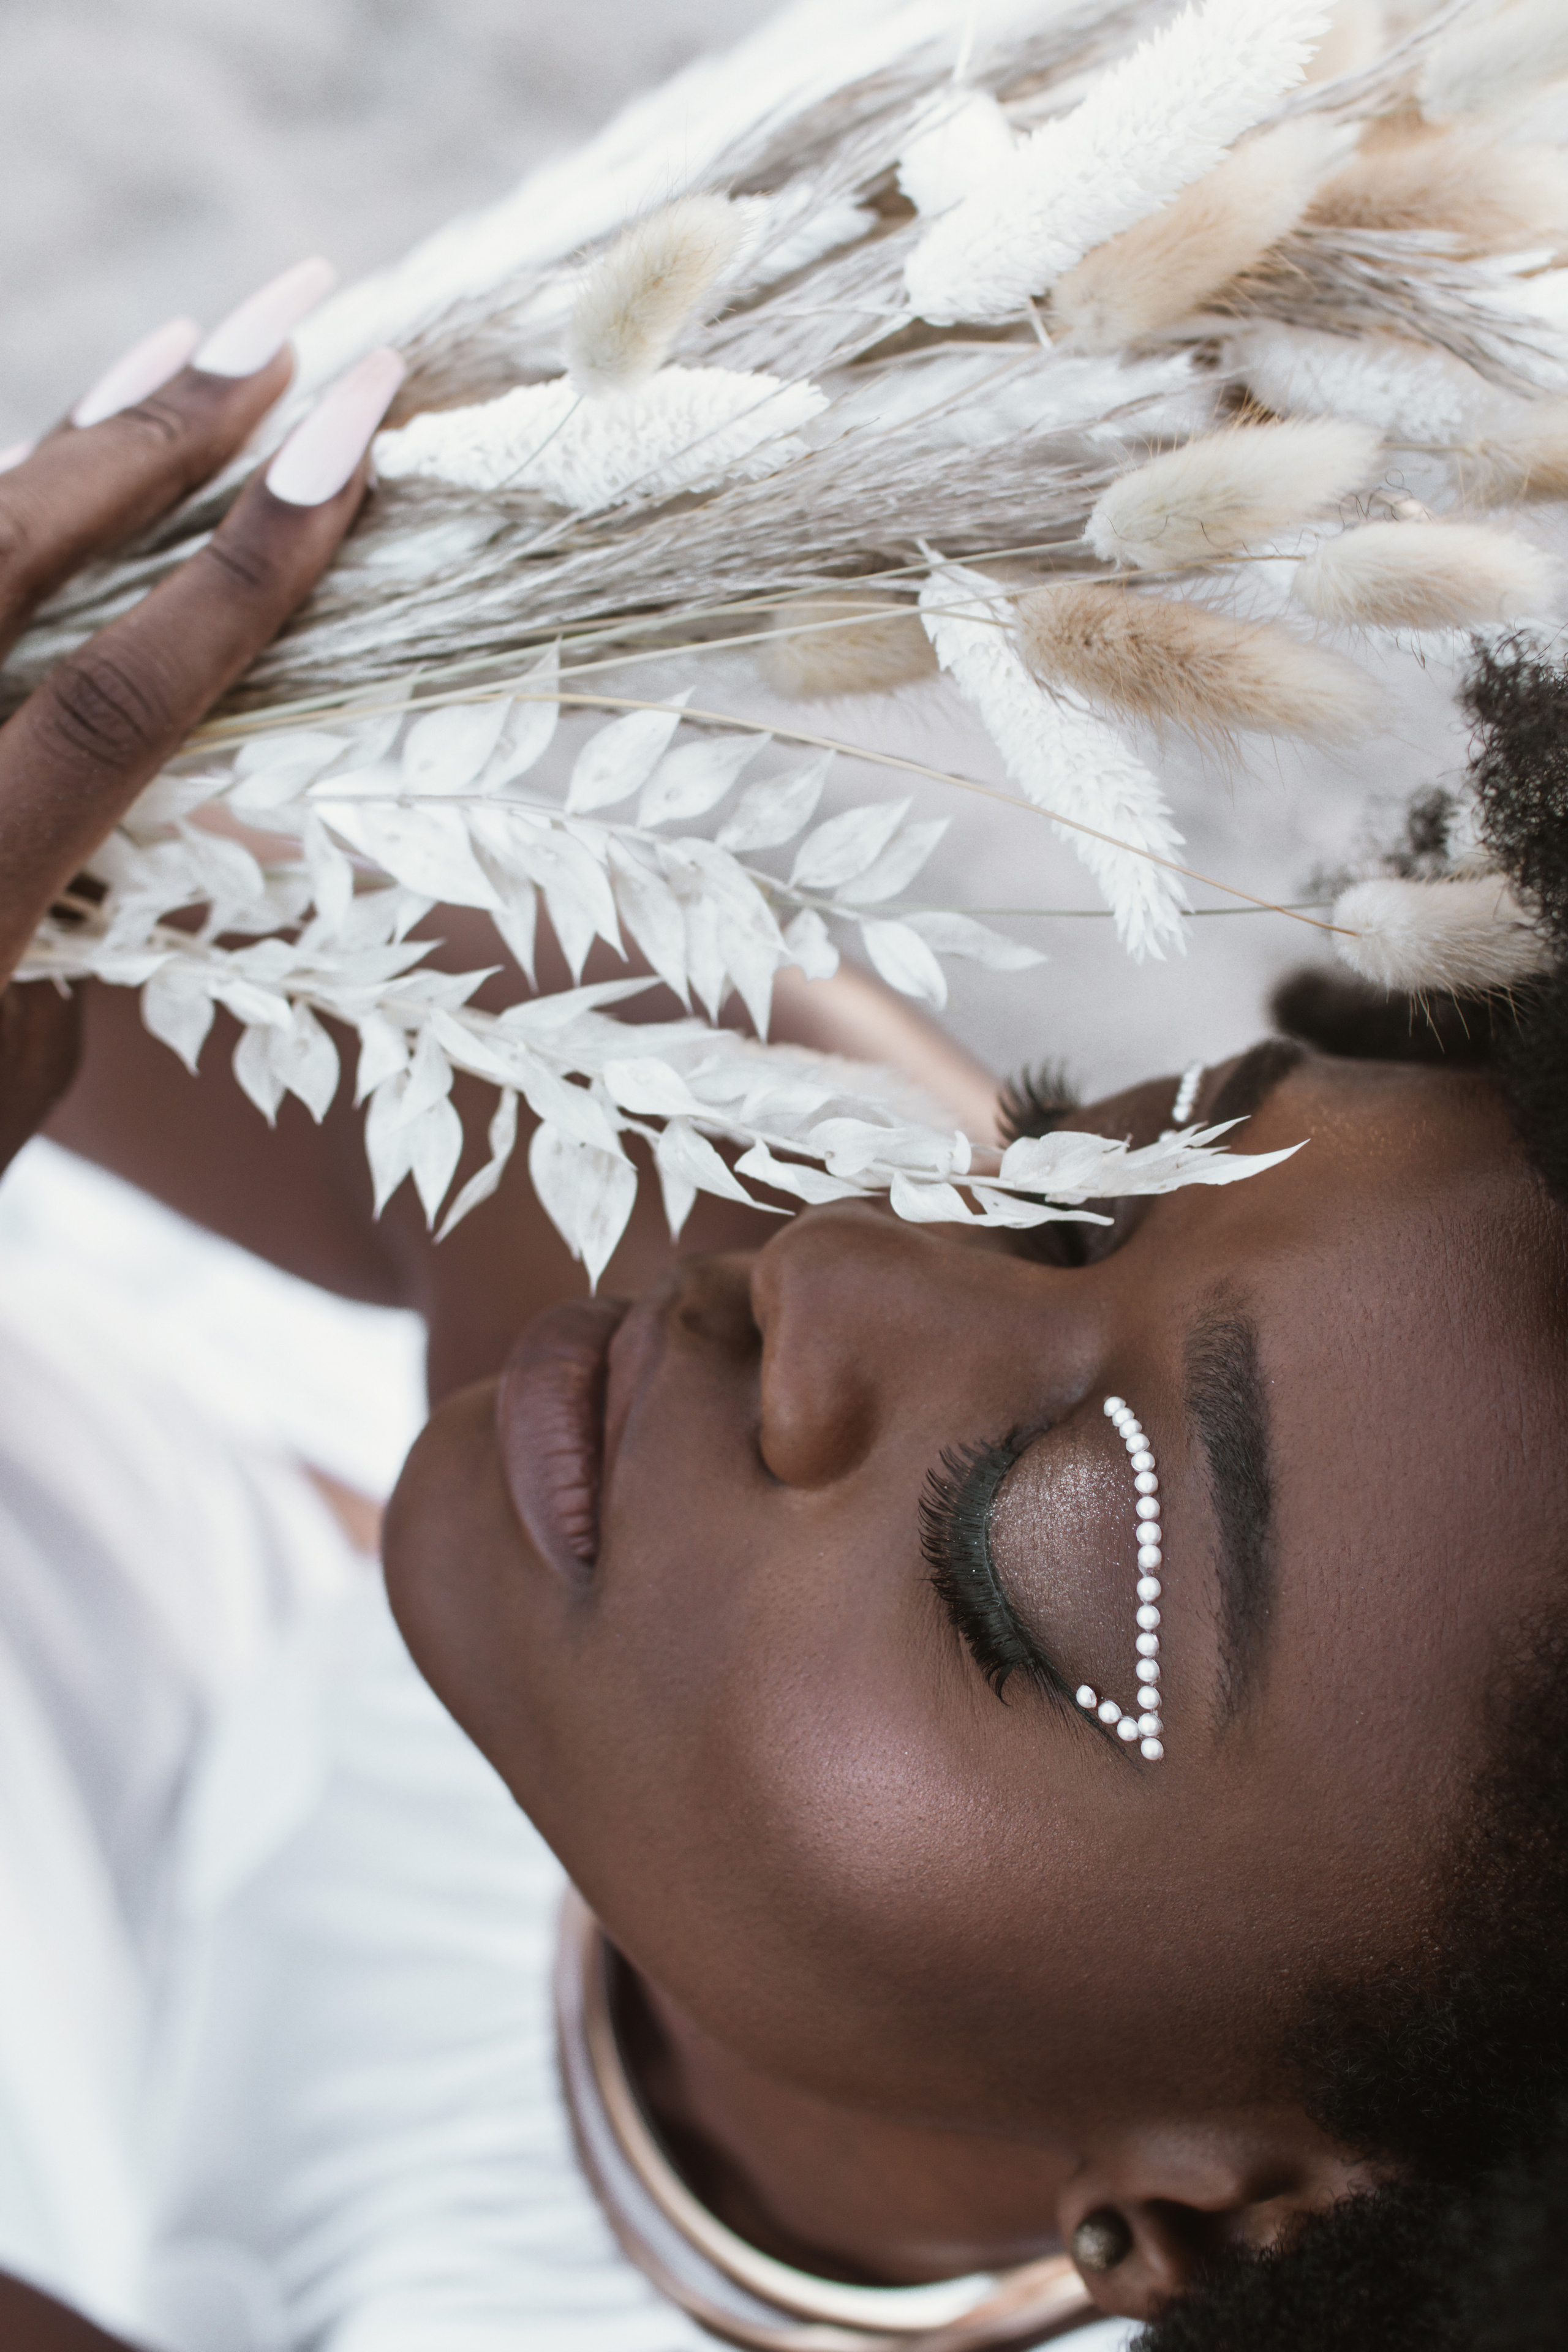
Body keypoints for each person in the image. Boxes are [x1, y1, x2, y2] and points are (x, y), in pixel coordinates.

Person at [3, 280, 1568, 2352]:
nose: (834, 1266)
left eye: (1018, 1546)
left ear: (1231, 2209)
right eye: (1074, 1201)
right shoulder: (742, 1196)